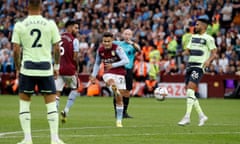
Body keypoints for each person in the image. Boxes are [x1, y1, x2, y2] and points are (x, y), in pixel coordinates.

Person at [11, 0, 65, 144]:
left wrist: (17, 68)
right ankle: (55, 139)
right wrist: (57, 67)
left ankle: (27, 139)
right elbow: (56, 48)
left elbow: (16, 50)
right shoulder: (51, 24)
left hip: (27, 68)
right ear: (41, 7)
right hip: (45, 68)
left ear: (27, 7)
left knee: (24, 104)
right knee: (51, 105)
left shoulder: (20, 25)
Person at [178, 17, 217, 126]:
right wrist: (182, 53)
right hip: (190, 65)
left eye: (198, 25)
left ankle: (187, 117)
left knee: (190, 88)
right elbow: (188, 51)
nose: (196, 26)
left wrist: (208, 61)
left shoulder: (209, 38)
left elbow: (214, 53)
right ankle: (202, 116)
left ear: (204, 27)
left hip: (199, 66)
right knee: (190, 92)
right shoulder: (193, 37)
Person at [90, 32, 129, 127]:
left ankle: (119, 121)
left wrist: (113, 65)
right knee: (110, 81)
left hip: (120, 73)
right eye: (104, 41)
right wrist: (93, 75)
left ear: (112, 40)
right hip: (108, 72)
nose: (106, 43)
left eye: (108, 41)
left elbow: (126, 60)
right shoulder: (100, 50)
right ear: (102, 41)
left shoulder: (117, 49)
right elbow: (97, 63)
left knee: (119, 99)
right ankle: (113, 87)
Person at [55, 20, 80, 124]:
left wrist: (55, 66)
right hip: (69, 69)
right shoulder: (75, 40)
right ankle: (66, 110)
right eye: (75, 28)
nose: (77, 30)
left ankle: (54, 115)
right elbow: (75, 57)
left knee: (57, 92)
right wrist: (77, 68)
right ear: (69, 27)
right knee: (75, 88)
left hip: (59, 69)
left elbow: (55, 52)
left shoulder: (58, 37)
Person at [113, 29, 141, 118]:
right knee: (118, 91)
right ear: (122, 35)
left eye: (129, 34)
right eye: (125, 34)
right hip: (119, 70)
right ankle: (117, 112)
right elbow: (106, 44)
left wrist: (131, 43)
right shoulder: (117, 43)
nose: (127, 36)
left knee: (127, 92)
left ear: (131, 36)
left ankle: (124, 112)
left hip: (128, 70)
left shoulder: (132, 46)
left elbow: (139, 49)